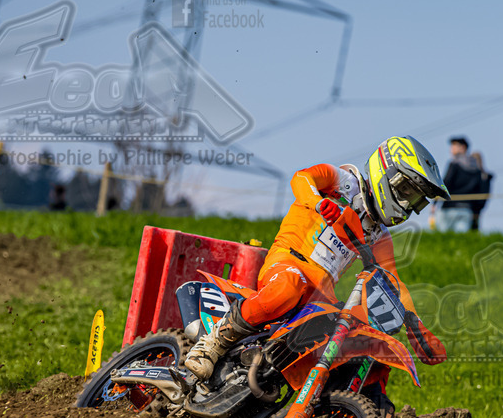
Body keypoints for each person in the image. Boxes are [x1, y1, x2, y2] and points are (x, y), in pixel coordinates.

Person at [183, 136, 450, 388]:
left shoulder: (378, 234)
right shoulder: (343, 181)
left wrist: (416, 326)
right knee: (289, 286)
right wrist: (318, 202)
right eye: (406, 192)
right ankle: (213, 343)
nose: (406, 204)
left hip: (319, 295)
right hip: (287, 263)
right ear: (387, 174)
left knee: (364, 342)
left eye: (415, 200)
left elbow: (392, 281)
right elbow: (302, 178)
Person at [434, 136, 481, 232]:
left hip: (449, 208)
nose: (451, 149)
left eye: (454, 146)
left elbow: (445, 183)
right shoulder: (476, 167)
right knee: (461, 240)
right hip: (466, 209)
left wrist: (435, 202)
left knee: (443, 239)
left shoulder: (454, 164)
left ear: (462, 147)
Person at [469, 151, 492, 231]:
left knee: (473, 226)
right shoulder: (471, 174)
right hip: (469, 204)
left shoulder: (484, 176)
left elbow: (485, 193)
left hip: (476, 205)